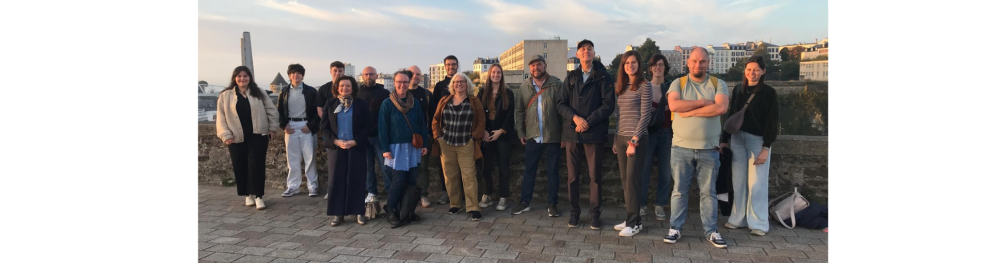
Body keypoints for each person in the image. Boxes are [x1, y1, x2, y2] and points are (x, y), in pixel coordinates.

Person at [663, 47, 730, 248]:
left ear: (708, 62)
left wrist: (690, 110)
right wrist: (702, 103)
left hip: (709, 149)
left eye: (702, 61)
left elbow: (721, 108)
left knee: (708, 192)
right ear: (688, 62)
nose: (697, 65)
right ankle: (675, 228)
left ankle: (711, 230)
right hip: (681, 148)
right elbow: (674, 106)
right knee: (678, 191)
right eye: (694, 61)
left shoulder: (718, 84)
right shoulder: (678, 83)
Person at [556, 39, 616, 229]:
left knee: (595, 177)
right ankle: (574, 213)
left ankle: (594, 214)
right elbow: (561, 103)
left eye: (590, 49)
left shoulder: (604, 76)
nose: (586, 51)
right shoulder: (571, 77)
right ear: (578, 54)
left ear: (594, 53)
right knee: (572, 177)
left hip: (594, 134)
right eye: (583, 49)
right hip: (573, 134)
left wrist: (588, 121)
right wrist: (575, 119)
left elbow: (608, 105)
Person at [720, 55, 779, 236]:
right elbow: (731, 116)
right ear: (744, 71)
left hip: (757, 141)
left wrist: (766, 147)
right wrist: (724, 139)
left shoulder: (769, 93)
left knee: (757, 183)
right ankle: (738, 218)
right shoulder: (738, 89)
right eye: (749, 69)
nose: (752, 73)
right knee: (738, 182)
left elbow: (772, 121)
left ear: (763, 72)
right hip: (738, 139)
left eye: (756, 70)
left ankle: (759, 223)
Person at [216, 66, 278, 210]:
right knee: (240, 166)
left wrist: (273, 128)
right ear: (234, 78)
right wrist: (225, 135)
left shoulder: (259, 92)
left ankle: (258, 196)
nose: (242, 79)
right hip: (236, 137)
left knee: (256, 166)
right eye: (239, 76)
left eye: (245, 76)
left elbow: (272, 111)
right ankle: (247, 194)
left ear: (250, 78)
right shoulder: (225, 96)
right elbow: (221, 118)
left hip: (258, 135)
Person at [512, 55, 564, 217]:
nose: (536, 68)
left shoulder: (557, 84)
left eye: (539, 65)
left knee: (553, 171)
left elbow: (563, 110)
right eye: (533, 66)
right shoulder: (524, 87)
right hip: (533, 135)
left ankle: (552, 204)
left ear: (545, 65)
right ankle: (525, 202)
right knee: (529, 170)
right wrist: (521, 132)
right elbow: (519, 111)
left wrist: (564, 135)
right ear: (530, 68)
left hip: (553, 135)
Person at [379, 70, 431, 225]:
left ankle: (407, 211)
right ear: (394, 83)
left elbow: (422, 124)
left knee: (412, 180)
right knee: (398, 181)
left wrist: (424, 145)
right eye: (399, 82)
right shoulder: (387, 104)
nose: (402, 85)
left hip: (413, 147)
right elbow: (382, 128)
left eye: (405, 82)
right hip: (396, 148)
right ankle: (391, 210)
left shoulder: (414, 103)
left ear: (409, 83)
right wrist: (385, 148)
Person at [432, 72, 486, 221]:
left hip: (466, 143)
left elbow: (481, 121)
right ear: (452, 85)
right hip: (447, 143)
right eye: (456, 82)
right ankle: (455, 204)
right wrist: (438, 137)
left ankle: (473, 207)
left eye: (462, 82)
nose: (459, 84)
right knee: (450, 176)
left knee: (469, 176)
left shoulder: (474, 101)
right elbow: (435, 119)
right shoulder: (445, 100)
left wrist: (473, 137)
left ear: (467, 84)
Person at [610, 51, 653, 237]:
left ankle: (634, 223)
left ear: (639, 64)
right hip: (621, 138)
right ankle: (632, 219)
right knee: (625, 180)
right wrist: (615, 139)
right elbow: (619, 116)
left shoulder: (645, 85)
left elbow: (645, 116)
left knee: (633, 180)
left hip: (636, 140)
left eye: (633, 62)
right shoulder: (622, 86)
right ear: (623, 66)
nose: (630, 66)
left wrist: (634, 141)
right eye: (627, 63)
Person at [321, 76, 372, 226]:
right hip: (337, 148)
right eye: (342, 86)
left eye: (348, 86)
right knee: (336, 180)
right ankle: (338, 213)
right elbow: (324, 127)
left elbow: (367, 126)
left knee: (357, 179)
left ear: (353, 88)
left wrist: (355, 141)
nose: (345, 88)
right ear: (337, 88)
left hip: (356, 147)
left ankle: (358, 212)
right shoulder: (330, 104)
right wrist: (335, 141)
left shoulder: (361, 104)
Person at [277, 64, 321, 197]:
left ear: (302, 75)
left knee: (310, 157)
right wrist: (284, 125)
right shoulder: (284, 92)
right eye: (293, 73)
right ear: (289, 76)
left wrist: (311, 126)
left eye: (298, 73)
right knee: (292, 159)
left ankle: (312, 186)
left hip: (306, 125)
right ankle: (293, 186)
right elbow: (279, 111)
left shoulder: (311, 91)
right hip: (291, 126)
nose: (295, 75)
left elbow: (317, 111)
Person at [476, 63, 515, 211]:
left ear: (501, 75)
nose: (496, 75)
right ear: (489, 74)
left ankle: (503, 196)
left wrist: (502, 130)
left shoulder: (508, 93)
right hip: (486, 133)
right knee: (486, 166)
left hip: (502, 135)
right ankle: (487, 194)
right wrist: (484, 131)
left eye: (498, 72)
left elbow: (510, 115)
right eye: (493, 72)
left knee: (504, 167)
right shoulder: (482, 92)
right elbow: (479, 114)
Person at [640, 54, 675, 220]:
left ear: (665, 67)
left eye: (661, 65)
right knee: (644, 170)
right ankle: (641, 204)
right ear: (650, 67)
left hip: (667, 132)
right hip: (648, 132)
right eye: (654, 65)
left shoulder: (672, 87)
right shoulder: (644, 87)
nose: (658, 68)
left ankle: (660, 204)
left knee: (665, 171)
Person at [427, 55, 459, 205]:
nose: (451, 67)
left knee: (461, 163)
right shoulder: (439, 86)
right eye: (448, 65)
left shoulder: (462, 82)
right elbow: (434, 111)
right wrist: (436, 132)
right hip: (444, 131)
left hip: (461, 131)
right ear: (445, 67)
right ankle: (445, 192)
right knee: (444, 165)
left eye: (453, 64)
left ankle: (460, 192)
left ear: (457, 66)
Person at [357, 67, 392, 204]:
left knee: (386, 166)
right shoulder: (357, 93)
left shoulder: (384, 92)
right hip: (363, 136)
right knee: (367, 167)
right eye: (366, 74)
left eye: (371, 74)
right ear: (362, 76)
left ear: (376, 76)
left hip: (380, 136)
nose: (369, 76)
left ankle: (390, 192)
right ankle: (371, 192)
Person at [407, 65, 436, 208]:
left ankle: (423, 194)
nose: (416, 76)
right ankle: (408, 194)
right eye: (413, 74)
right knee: (405, 166)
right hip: (404, 137)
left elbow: (432, 115)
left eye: (418, 74)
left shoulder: (426, 94)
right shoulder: (400, 93)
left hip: (422, 136)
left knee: (423, 167)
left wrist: (429, 134)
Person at [317, 61, 346, 200]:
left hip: (348, 131)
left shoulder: (350, 87)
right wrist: (329, 125)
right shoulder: (324, 89)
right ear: (330, 71)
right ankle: (332, 190)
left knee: (350, 162)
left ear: (344, 72)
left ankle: (349, 189)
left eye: (340, 71)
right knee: (333, 163)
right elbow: (320, 109)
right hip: (331, 132)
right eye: (335, 70)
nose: (337, 73)